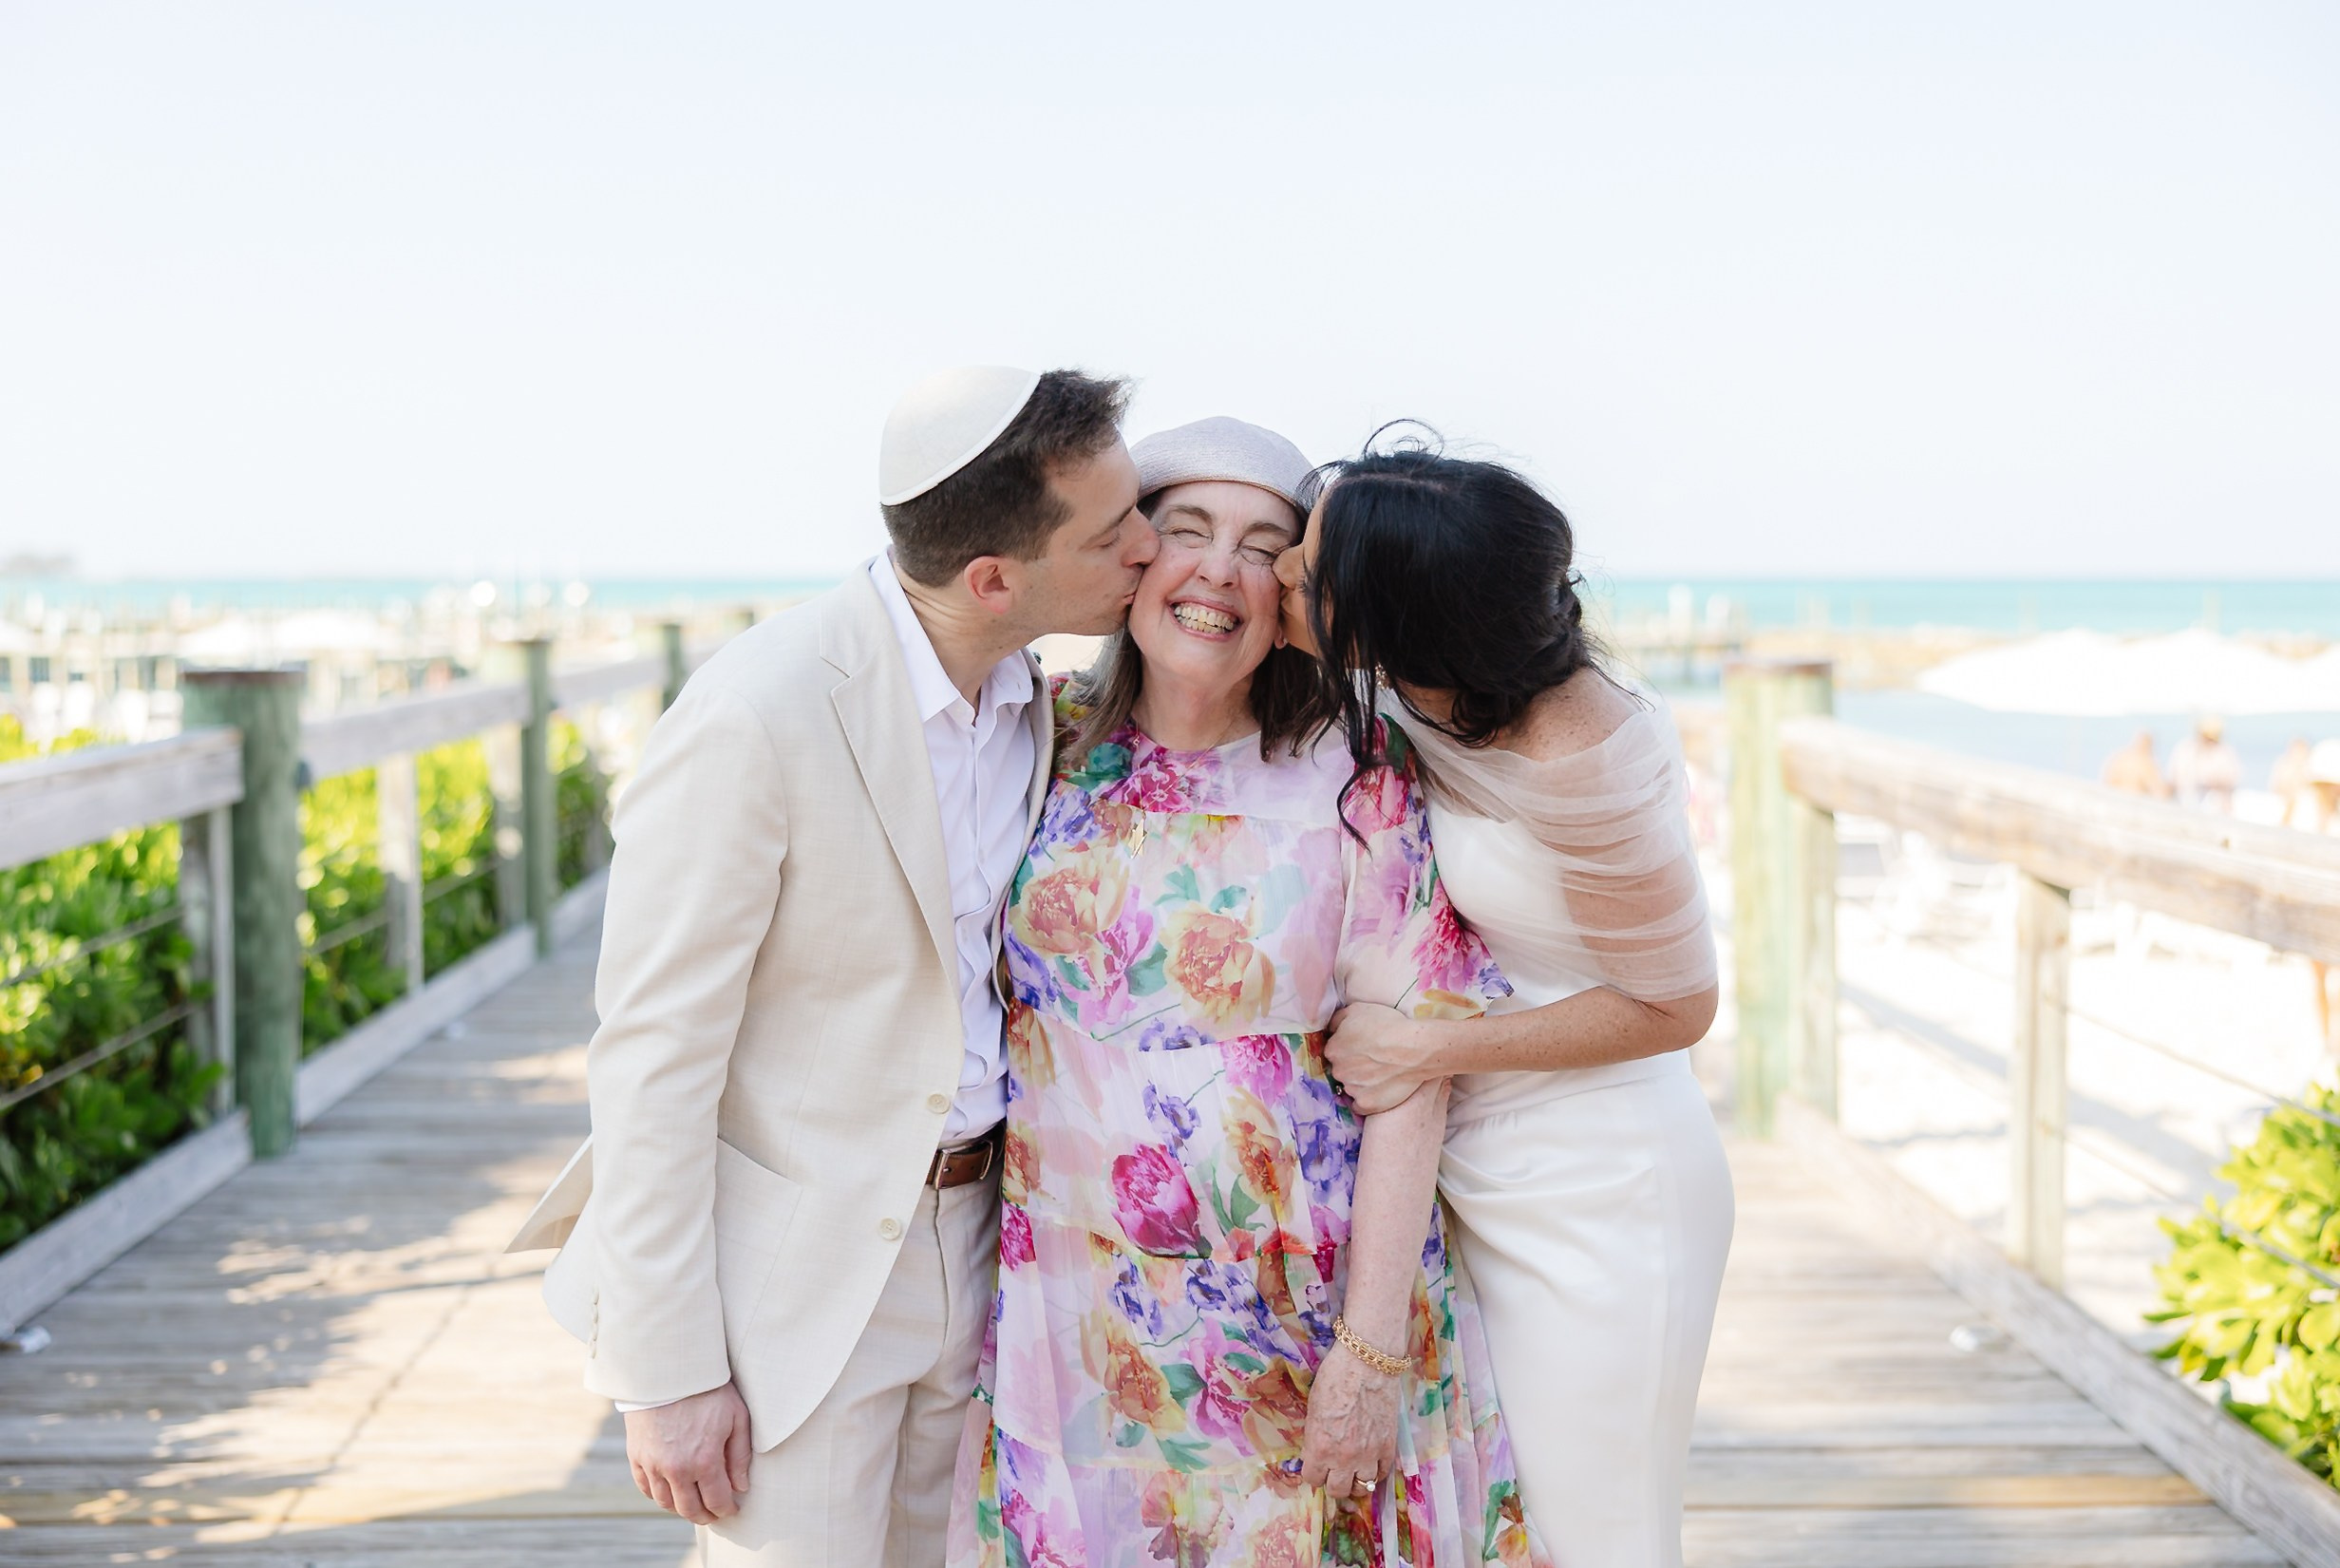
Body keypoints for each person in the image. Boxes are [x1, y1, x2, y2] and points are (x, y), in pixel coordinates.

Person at [504, 366, 1161, 1566]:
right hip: (794, 1286)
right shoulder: (755, 715)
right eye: (1113, 529)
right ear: (994, 578)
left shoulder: (1034, 699)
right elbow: (652, 1058)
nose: (1148, 545)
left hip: (986, 1244)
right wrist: (667, 1371)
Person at [952, 418, 1547, 1567]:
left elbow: (1413, 1071)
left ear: (1295, 597)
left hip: (1303, 1310)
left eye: (1263, 547)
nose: (1219, 570)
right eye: (1186, 531)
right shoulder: (1042, 737)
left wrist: (1367, 1356)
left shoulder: (1358, 777)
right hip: (1074, 1305)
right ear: (1134, 561)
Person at [1275, 438, 1732, 1566]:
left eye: (1306, 566)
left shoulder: (1585, 751)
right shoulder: (1418, 690)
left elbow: (1676, 1004)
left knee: (1596, 1533)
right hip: (1473, 1167)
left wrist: (1431, 1048)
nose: (1281, 569)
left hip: (1601, 1183)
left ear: (1397, 625)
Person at [2290, 738, 2340, 1056]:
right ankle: (2328, 1039)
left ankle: (2339, 1039)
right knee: (2319, 973)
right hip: (2315, 901)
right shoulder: (2306, 806)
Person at [2169, 716, 2241, 813]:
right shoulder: (2186, 749)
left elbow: (2233, 778)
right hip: (2187, 797)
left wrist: (2216, 782)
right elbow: (2175, 778)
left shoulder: (2224, 751)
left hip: (2215, 800)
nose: (2210, 741)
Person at [2101, 730, 2171, 798]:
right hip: (2134, 802)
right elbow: (2159, 791)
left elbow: (2106, 780)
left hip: (2115, 799)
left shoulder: (2119, 757)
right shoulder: (2146, 762)